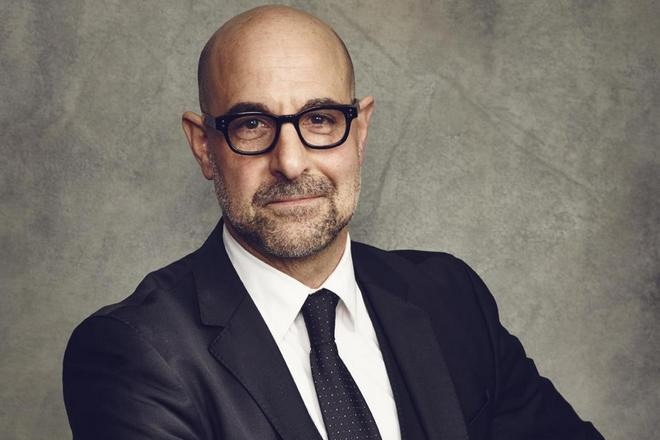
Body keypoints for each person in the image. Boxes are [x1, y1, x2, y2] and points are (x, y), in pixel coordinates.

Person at [63, 5, 604, 440]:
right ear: (205, 146)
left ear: (360, 131)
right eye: (252, 124)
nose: (291, 162)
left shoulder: (451, 298)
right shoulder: (134, 354)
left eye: (320, 119)